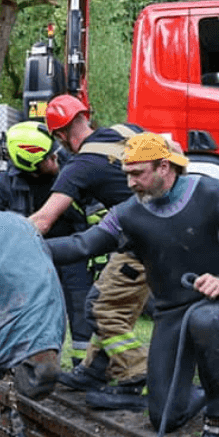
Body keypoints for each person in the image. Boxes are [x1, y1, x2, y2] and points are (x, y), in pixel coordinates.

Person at [46, 132, 219, 437]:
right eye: (127, 175)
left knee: (203, 321)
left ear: (165, 167)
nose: (131, 182)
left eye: (138, 174)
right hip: (170, 313)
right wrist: (29, 245)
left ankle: (218, 423)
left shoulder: (211, 193)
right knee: (165, 414)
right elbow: (82, 245)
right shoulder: (127, 213)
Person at [30, 94, 149, 406]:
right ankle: (95, 370)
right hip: (159, 229)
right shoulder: (127, 131)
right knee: (103, 297)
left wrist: (6, 234)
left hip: (145, 243)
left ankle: (136, 375)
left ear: (60, 135)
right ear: (86, 115)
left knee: (103, 308)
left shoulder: (80, 165)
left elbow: (43, 220)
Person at [0, 121, 93, 364]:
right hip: (32, 260)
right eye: (49, 157)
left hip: (73, 251)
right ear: (31, 165)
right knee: (34, 312)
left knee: (82, 308)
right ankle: (33, 362)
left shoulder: (71, 168)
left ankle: (84, 365)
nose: (56, 158)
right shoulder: (5, 185)